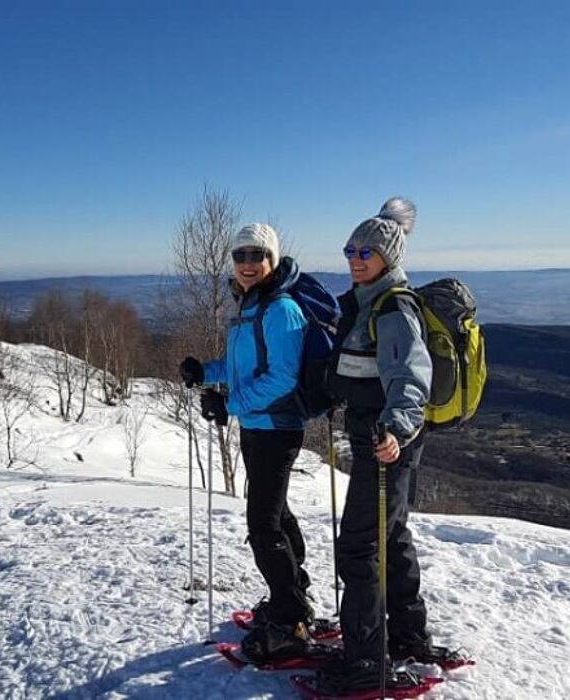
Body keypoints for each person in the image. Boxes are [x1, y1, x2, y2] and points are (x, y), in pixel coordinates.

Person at [316, 197, 462, 693]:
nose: (355, 257)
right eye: (350, 249)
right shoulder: (363, 303)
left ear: (388, 257)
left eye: (366, 251)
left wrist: (396, 431)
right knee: (391, 534)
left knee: (359, 547)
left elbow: (410, 379)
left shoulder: (393, 308)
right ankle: (406, 634)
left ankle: (365, 664)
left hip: (386, 444)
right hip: (377, 439)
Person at [179, 222, 317, 662]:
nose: (247, 264)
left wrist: (231, 405)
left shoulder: (280, 310)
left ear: (272, 259)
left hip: (277, 427)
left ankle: (289, 620)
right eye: (240, 256)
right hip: (256, 427)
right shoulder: (247, 307)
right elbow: (246, 368)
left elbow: (283, 376)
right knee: (277, 514)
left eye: (257, 255)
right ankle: (295, 598)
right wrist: (207, 372)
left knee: (263, 525)